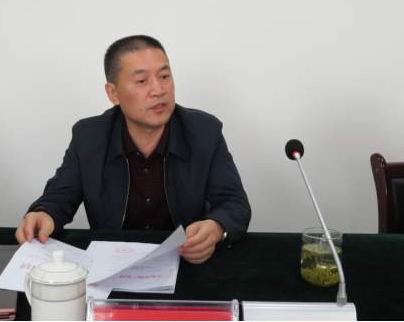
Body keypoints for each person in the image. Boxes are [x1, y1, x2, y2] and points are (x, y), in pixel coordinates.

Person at [16, 35, 251, 264]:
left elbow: (235, 203)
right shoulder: (88, 137)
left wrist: (216, 227)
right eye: (142, 81)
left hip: (185, 262)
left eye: (164, 76)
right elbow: (59, 196)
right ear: (113, 93)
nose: (158, 90)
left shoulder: (204, 132)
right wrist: (44, 213)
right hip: (112, 266)